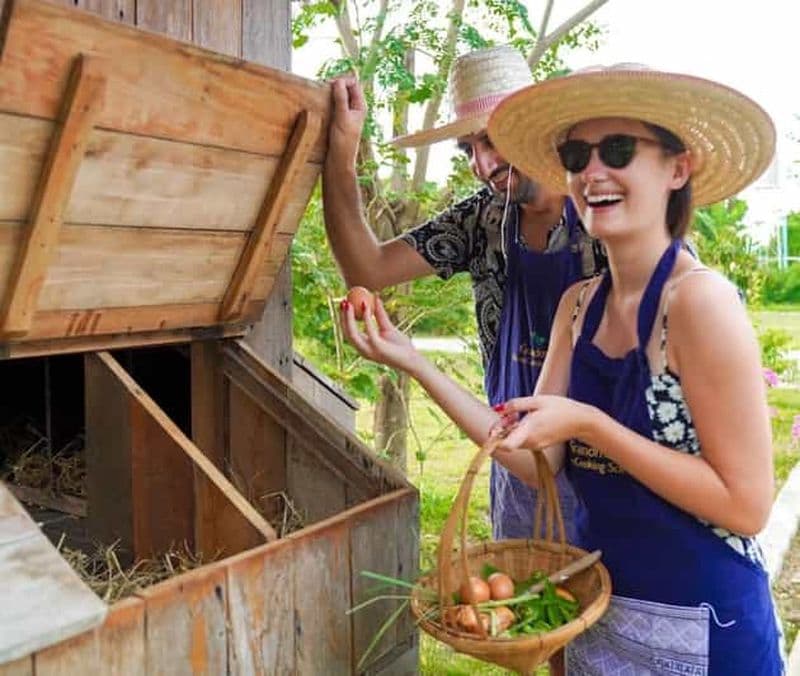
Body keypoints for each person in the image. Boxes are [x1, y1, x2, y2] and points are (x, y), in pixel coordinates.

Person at [341, 63, 786, 673]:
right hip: (599, 615)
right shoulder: (578, 306)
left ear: (677, 168)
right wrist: (414, 363)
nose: (593, 171)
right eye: (577, 155)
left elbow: (745, 505)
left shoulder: (697, 303)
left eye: (620, 150)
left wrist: (589, 425)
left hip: (703, 624)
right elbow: (533, 462)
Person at [323, 45, 605, 542]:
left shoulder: (603, 214)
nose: (482, 164)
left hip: (604, 475)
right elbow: (366, 266)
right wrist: (342, 155)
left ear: (535, 125)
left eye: (490, 141)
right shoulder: (483, 219)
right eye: (468, 150)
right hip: (513, 461)